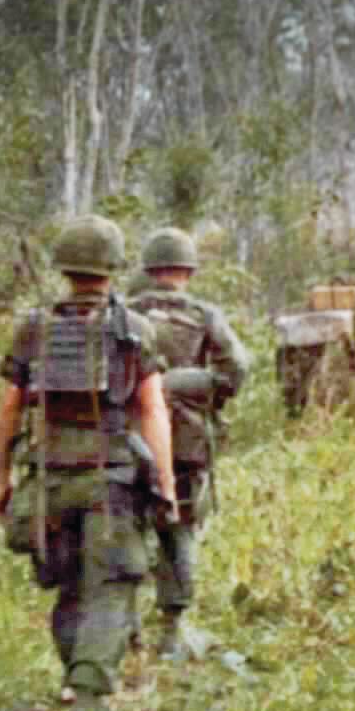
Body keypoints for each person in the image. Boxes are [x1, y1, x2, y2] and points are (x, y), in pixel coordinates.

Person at [0, 216, 176, 711]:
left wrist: (2, 478)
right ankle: (88, 705)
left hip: (48, 480)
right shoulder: (134, 329)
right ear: (114, 266)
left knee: (70, 587)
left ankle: (77, 680)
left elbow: (8, 411)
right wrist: (165, 484)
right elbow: (152, 410)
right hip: (110, 482)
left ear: (64, 266)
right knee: (110, 589)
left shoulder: (33, 328)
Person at [128, 226, 253, 661]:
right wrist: (193, 386)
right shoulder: (203, 315)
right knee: (178, 528)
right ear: (188, 270)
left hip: (128, 439)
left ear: (149, 268)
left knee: (127, 526)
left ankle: (127, 628)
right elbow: (236, 370)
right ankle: (172, 629)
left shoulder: (124, 313)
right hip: (185, 439)